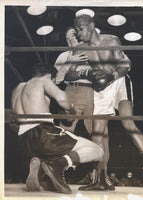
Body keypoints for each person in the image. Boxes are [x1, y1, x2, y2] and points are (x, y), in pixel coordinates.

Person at [65, 10, 143, 191]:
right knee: (98, 133)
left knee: (128, 124)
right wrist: (86, 72)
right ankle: (101, 179)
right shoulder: (82, 48)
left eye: (81, 29)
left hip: (119, 83)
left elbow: (125, 64)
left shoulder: (111, 40)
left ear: (91, 26)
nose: (79, 33)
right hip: (100, 89)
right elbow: (69, 74)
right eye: (77, 30)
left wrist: (110, 74)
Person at [10, 63, 104, 194]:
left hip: (24, 140)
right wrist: (71, 108)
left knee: (52, 150)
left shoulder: (18, 88)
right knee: (97, 151)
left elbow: (14, 120)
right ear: (52, 78)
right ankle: (58, 165)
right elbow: (62, 98)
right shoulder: (44, 80)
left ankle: (41, 174)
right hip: (42, 132)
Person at [55, 27, 94, 135]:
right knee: (66, 129)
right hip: (72, 90)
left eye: (74, 36)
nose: (71, 39)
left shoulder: (92, 52)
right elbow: (57, 80)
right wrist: (69, 62)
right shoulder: (64, 56)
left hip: (92, 91)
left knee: (97, 129)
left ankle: (101, 152)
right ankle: (63, 151)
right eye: (68, 37)